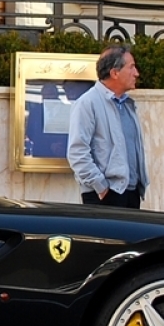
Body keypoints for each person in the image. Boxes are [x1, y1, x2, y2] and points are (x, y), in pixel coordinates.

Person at [67, 45, 148, 208]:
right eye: (131, 67)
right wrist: (101, 186)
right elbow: (77, 152)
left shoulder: (127, 104)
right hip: (104, 196)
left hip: (130, 194)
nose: (136, 73)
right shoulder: (88, 103)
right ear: (114, 73)